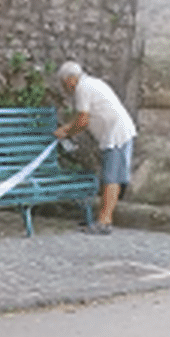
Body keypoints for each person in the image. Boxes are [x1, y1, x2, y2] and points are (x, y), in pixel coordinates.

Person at [54, 61, 137, 235]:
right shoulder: (92, 83)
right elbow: (83, 118)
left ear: (70, 79)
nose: (64, 88)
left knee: (111, 179)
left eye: (63, 83)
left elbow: (82, 121)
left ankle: (104, 222)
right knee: (111, 178)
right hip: (117, 132)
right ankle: (104, 220)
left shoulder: (82, 89)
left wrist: (66, 132)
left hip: (116, 135)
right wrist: (69, 128)